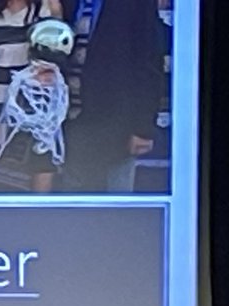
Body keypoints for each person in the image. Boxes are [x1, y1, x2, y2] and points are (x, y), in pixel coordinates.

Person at [65, 0, 165, 192]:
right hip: (69, 125)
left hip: (116, 126)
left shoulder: (135, 4)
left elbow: (149, 61)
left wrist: (143, 128)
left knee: (115, 212)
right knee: (73, 209)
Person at [0, 0, 65, 193]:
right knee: (2, 202)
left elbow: (58, 61)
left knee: (40, 206)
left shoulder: (49, 7)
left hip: (39, 119)